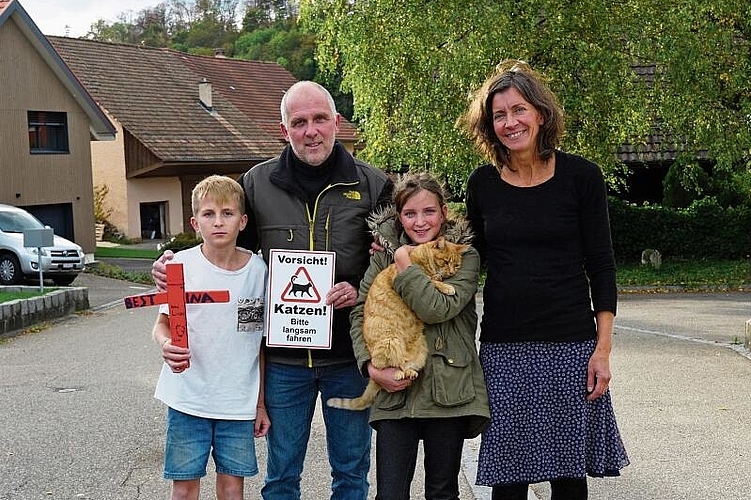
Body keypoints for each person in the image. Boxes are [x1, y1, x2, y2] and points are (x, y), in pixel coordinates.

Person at [153, 81, 393, 500]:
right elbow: (225, 249)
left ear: (336, 122)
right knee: (281, 477)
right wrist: (176, 266)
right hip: (284, 361)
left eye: (320, 119)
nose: (311, 131)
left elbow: (392, 264)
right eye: (299, 122)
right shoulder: (257, 184)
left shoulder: (373, 185)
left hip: (349, 356)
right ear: (283, 130)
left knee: (352, 474)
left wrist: (359, 289)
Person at [456, 60, 629, 500]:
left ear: (541, 114)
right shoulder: (482, 184)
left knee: (569, 480)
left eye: (519, 110)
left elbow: (602, 266)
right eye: (499, 115)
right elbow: (468, 262)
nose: (510, 122)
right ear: (489, 125)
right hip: (505, 348)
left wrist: (602, 351)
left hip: (571, 347)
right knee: (508, 482)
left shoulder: (582, 177)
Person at [349, 172, 490, 500]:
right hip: (394, 392)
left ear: (443, 212)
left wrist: (405, 266)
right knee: (391, 494)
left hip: (449, 390)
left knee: (442, 492)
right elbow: (360, 313)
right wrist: (370, 367)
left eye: (429, 211)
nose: (420, 221)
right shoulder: (382, 257)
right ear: (399, 217)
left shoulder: (464, 257)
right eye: (410, 213)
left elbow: (437, 309)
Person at [152, 174, 270, 500]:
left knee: (232, 489)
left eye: (227, 213)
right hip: (188, 398)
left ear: (243, 221)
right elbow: (162, 324)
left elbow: (257, 342)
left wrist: (260, 403)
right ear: (195, 222)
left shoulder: (258, 271)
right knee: (185, 488)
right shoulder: (181, 266)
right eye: (209, 214)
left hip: (238, 403)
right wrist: (166, 345)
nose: (218, 222)